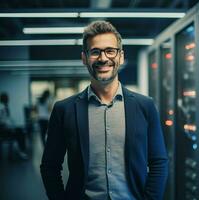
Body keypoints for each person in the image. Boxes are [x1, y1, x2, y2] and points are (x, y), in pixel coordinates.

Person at [40, 21, 168, 200]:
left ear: (121, 56)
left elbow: (159, 162)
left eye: (110, 50)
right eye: (95, 51)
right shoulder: (64, 110)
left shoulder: (145, 106)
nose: (103, 58)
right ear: (84, 58)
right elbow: (50, 166)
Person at [0, 92, 28, 160]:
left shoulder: (5, 106)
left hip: (6, 127)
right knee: (20, 133)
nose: (8, 99)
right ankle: (21, 151)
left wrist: (13, 125)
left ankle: (21, 151)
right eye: (7, 98)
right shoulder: (2, 108)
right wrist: (10, 126)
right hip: (2, 130)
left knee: (20, 130)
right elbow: (2, 121)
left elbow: (7, 119)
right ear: (4, 99)